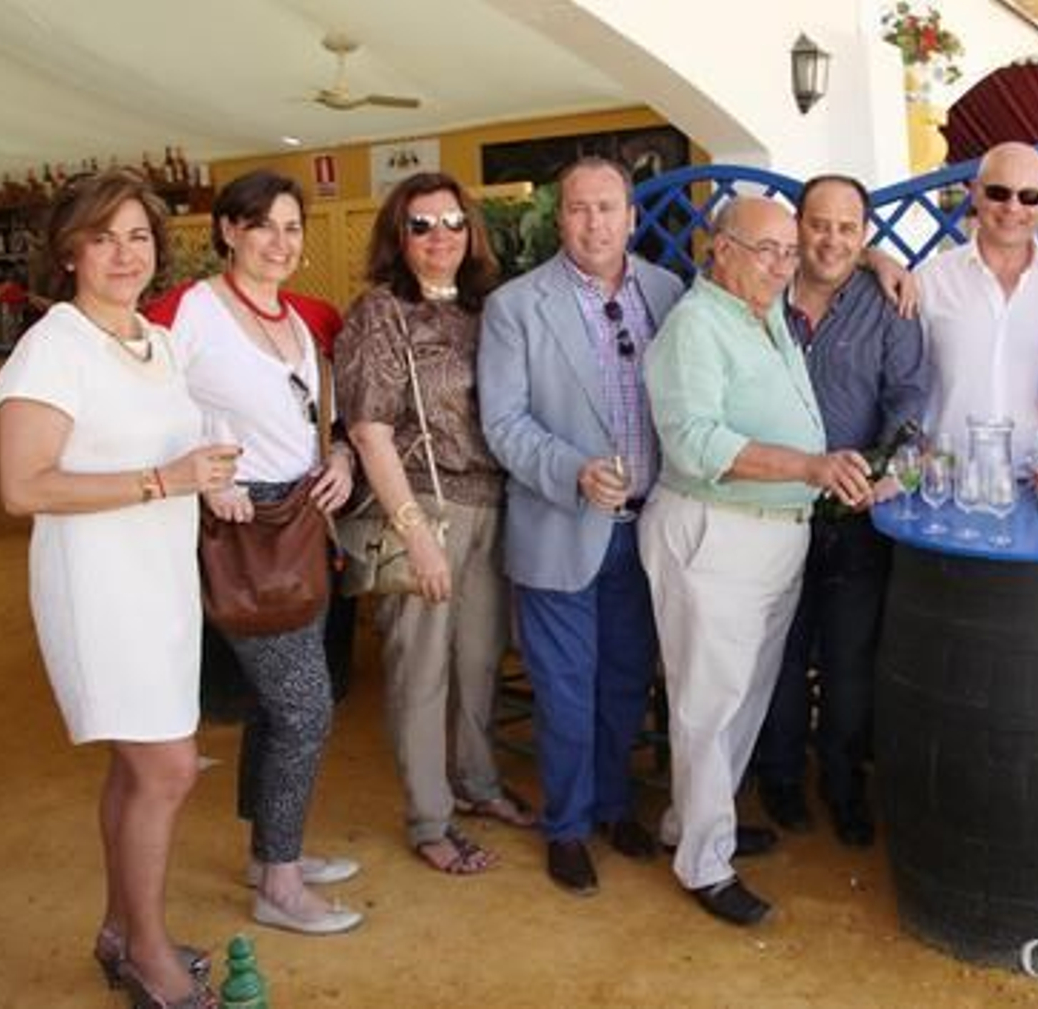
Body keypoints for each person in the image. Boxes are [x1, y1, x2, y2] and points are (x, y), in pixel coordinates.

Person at [0, 168, 235, 1008]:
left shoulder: (153, 339)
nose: (124, 253)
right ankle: (148, 951)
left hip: (157, 583)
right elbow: (23, 486)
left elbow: (168, 448)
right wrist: (164, 480)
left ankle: (118, 929)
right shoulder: (53, 345)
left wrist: (205, 469)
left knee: (139, 772)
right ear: (69, 252)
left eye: (138, 236)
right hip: (97, 591)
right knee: (167, 768)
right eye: (104, 237)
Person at [640, 196, 875, 926]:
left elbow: (844, 255)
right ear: (720, 249)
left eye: (786, 251)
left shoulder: (760, 311)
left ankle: (694, 823)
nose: (782, 264)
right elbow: (697, 444)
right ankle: (705, 866)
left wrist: (879, 257)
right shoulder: (695, 326)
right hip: (717, 532)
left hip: (773, 533)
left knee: (740, 698)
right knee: (709, 703)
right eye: (765, 250)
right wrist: (810, 465)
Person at [479, 157, 685, 895]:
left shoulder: (668, 292)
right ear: (557, 218)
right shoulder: (515, 307)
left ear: (633, 216)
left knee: (626, 683)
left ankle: (613, 804)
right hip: (561, 525)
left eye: (607, 207)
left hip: (647, 527)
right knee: (565, 692)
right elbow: (502, 421)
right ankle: (566, 827)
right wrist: (570, 469)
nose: (593, 222)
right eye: (577, 208)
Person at [166, 170, 362, 934]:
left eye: (292, 227)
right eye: (263, 226)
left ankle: (267, 852)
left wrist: (340, 460)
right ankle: (279, 882)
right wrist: (204, 472)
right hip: (242, 526)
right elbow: (151, 397)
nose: (281, 242)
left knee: (277, 708)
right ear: (228, 232)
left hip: (300, 516)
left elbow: (316, 414)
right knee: (305, 709)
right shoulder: (194, 310)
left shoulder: (295, 319)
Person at [336, 171, 533, 877]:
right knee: (420, 671)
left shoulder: (489, 310)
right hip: (419, 503)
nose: (439, 236)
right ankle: (428, 816)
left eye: (452, 221)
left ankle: (477, 784)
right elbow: (367, 430)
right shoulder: (380, 313)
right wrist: (416, 531)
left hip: (491, 503)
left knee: (479, 660)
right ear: (399, 235)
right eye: (421, 225)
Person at [752, 174, 928, 847]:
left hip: (855, 516)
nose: (831, 239)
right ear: (798, 226)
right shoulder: (760, 294)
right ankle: (779, 776)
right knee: (782, 655)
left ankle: (844, 781)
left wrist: (880, 475)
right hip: (772, 508)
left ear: (865, 236)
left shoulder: (889, 306)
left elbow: (910, 401)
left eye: (847, 228)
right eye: (819, 224)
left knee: (853, 662)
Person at [916, 141, 1038, 487]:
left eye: (1029, 196)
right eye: (999, 192)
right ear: (975, 193)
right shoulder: (930, 279)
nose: (1013, 207)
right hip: (948, 486)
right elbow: (907, 383)